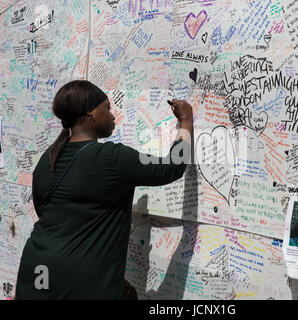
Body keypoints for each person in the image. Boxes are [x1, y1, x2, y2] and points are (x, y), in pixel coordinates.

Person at [15, 80, 193, 299]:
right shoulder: (112, 158)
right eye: (107, 108)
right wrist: (185, 121)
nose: (112, 114)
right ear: (90, 113)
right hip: (77, 282)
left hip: (36, 272)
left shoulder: (47, 159)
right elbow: (173, 167)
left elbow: (47, 213)